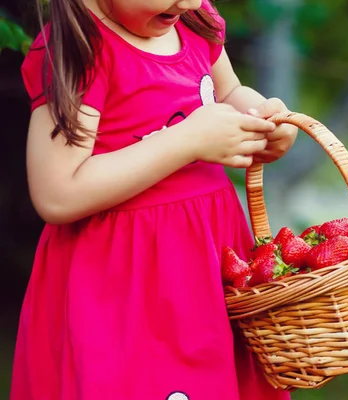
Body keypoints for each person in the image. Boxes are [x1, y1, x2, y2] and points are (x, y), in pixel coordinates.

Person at [10, 0, 297, 399]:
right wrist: (187, 140)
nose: (191, 1)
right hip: (125, 281)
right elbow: (58, 192)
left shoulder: (194, 20)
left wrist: (261, 119)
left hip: (207, 259)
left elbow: (226, 89)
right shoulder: (78, 46)